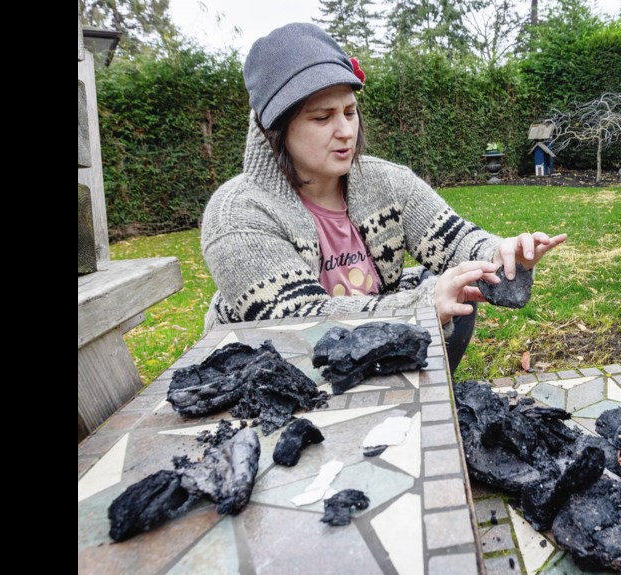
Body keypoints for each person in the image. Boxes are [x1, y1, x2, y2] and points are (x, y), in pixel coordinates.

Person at [202, 23, 566, 371]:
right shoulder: (238, 213)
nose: (345, 131)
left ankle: (429, 398)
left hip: (370, 341)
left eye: (349, 112)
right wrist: (421, 307)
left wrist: (499, 254)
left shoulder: (386, 182)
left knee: (458, 285)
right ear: (274, 129)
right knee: (435, 296)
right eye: (322, 117)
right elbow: (300, 326)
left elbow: (455, 239)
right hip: (264, 376)